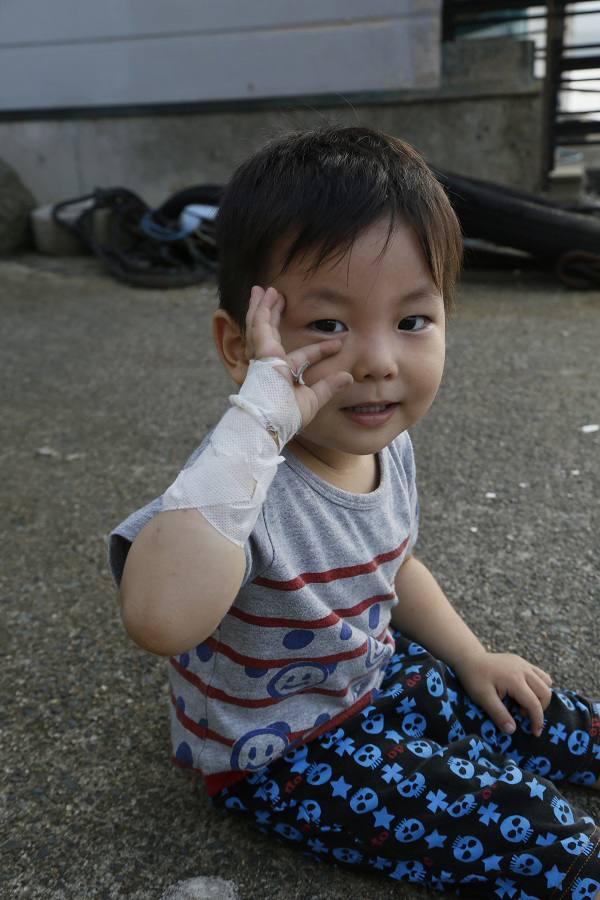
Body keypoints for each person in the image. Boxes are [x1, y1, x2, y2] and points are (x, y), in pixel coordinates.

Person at [109, 125, 600, 897]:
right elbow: (160, 618)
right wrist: (256, 423)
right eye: (328, 325)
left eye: (412, 321)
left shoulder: (386, 444)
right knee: (539, 830)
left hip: (373, 677)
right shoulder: (231, 487)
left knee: (536, 712)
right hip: (284, 754)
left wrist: (473, 657)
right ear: (240, 348)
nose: (377, 360)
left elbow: (391, 565)